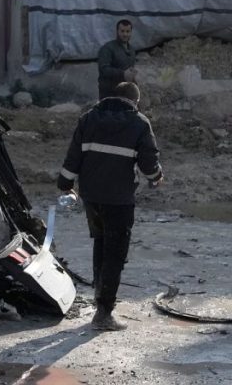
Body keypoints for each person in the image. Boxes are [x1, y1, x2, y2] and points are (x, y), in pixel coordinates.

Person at [56, 81, 163, 331]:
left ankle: (99, 299)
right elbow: (149, 163)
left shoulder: (89, 118)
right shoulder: (139, 123)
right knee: (115, 253)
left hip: (91, 196)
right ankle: (104, 313)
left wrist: (64, 183)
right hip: (119, 198)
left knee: (101, 243)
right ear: (135, 102)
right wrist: (157, 178)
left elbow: (73, 156)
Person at [98, 19, 137, 100]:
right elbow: (103, 69)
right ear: (117, 31)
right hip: (109, 93)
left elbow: (129, 71)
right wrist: (123, 74)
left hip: (125, 93)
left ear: (131, 32)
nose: (125, 34)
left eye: (128, 31)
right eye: (122, 31)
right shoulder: (108, 48)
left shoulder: (132, 50)